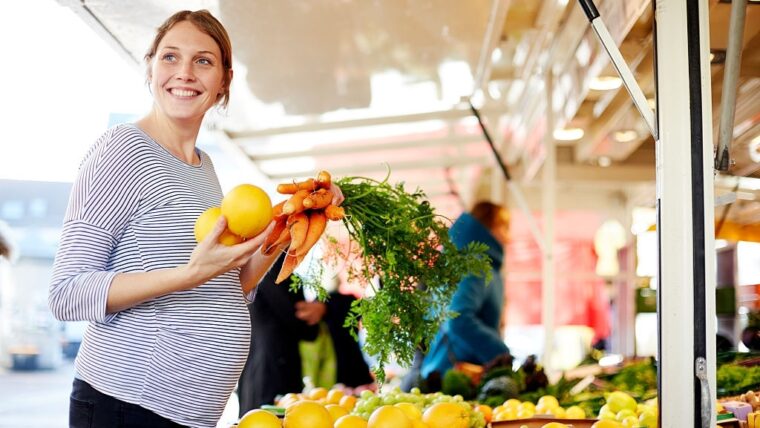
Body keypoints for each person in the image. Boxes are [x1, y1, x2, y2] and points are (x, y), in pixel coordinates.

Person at [48, 10, 342, 427]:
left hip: (188, 415)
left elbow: (227, 285)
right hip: (126, 403)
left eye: (203, 60)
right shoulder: (122, 151)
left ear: (224, 81)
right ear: (149, 67)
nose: (184, 73)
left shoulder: (204, 168)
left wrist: (286, 233)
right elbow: (68, 292)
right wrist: (188, 274)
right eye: (170, 57)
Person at [419, 201, 511, 382]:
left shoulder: (456, 262)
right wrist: (499, 353)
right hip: (457, 376)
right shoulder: (475, 264)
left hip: (441, 370)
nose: (508, 237)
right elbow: (457, 317)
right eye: (504, 227)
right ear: (490, 226)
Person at [237, 253, 320, 414]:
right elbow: (306, 329)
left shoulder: (252, 269)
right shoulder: (274, 270)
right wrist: (319, 310)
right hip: (274, 371)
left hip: (258, 366)